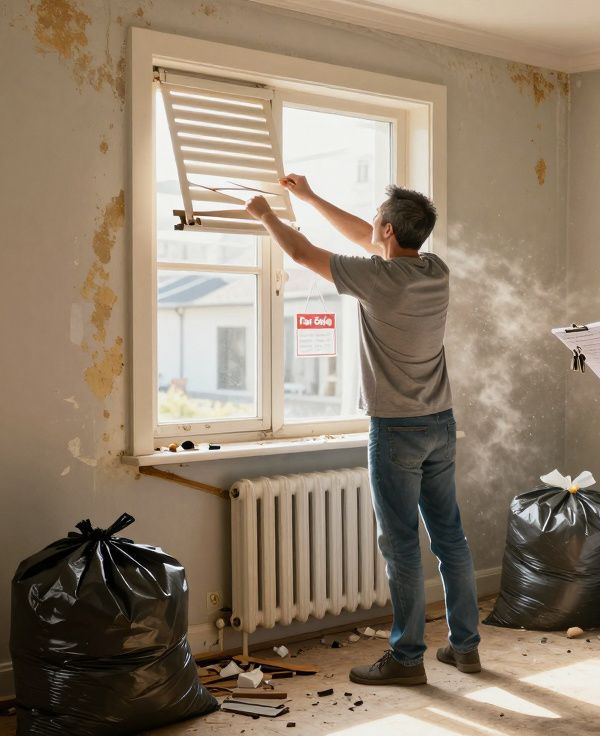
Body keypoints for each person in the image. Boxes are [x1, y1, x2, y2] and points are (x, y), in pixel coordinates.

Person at [246, 176, 480, 687]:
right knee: (450, 539)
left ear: (389, 230)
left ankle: (407, 658)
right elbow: (364, 238)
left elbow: (304, 252)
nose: (371, 224)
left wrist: (267, 214)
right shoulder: (434, 270)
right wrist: (308, 198)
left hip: (396, 431)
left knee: (400, 546)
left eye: (377, 218)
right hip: (441, 423)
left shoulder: (378, 279)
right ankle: (466, 648)